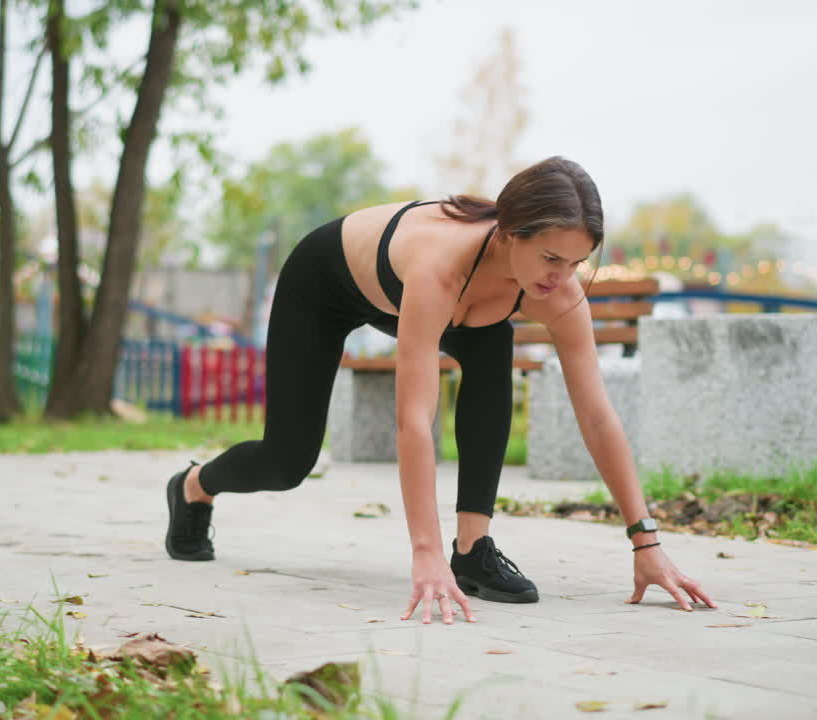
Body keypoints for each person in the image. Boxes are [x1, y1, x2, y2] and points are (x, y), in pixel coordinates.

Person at [165, 156, 716, 624]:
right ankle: (193, 486)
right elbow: (414, 418)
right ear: (507, 234)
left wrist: (648, 543)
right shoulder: (439, 267)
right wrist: (422, 553)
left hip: (468, 303)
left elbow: (598, 416)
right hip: (325, 285)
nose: (561, 276)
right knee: (286, 462)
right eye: (551, 258)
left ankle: (473, 550)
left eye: (576, 262)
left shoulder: (558, 293)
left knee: (490, 349)